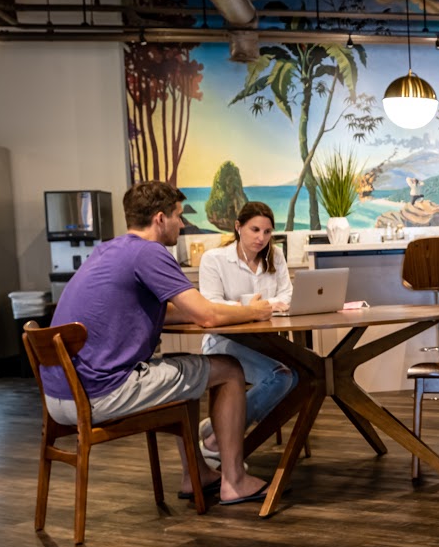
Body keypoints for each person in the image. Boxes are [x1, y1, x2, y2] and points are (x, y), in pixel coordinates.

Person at [38, 181, 273, 505]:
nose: (182, 223)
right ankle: (234, 481)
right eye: (178, 215)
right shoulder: (149, 252)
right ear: (160, 218)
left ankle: (196, 474)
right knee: (230, 370)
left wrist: (219, 312)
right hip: (100, 393)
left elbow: (170, 313)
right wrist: (255, 311)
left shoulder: (109, 249)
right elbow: (207, 316)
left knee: (188, 367)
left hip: (59, 396)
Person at [194, 201, 298, 463]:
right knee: (280, 377)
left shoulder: (275, 256)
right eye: (255, 230)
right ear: (238, 227)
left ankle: (217, 426)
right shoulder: (214, 259)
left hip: (265, 342)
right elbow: (211, 304)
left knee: (304, 374)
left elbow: (287, 296)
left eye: (267, 232)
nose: (261, 238)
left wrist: (256, 307)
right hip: (223, 342)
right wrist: (251, 309)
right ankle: (216, 441)